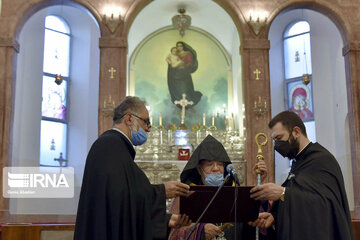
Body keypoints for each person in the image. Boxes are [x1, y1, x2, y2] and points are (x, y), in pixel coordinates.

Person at [74, 96, 191, 240]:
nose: (148, 129)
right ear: (129, 119)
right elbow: (120, 198)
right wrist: (161, 192)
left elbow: (125, 204)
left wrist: (167, 220)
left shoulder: (116, 147)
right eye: (146, 121)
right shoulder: (110, 146)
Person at [249, 111, 354, 240]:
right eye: (274, 140)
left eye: (279, 138)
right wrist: (274, 216)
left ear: (296, 132)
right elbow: (302, 196)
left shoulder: (321, 160)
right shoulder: (299, 162)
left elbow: (325, 204)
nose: (277, 145)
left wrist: (283, 193)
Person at [169, 135, 269, 240]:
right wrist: (200, 231)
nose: (216, 169)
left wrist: (259, 185)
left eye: (220, 164)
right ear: (199, 169)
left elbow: (255, 223)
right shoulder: (185, 195)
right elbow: (174, 232)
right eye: (209, 164)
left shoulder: (234, 193)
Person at [167, 41, 202, 107]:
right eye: (178, 46)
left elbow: (190, 63)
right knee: (177, 89)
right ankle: (180, 105)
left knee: (184, 89)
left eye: (181, 46)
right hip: (175, 75)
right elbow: (170, 63)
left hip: (184, 75)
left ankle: (188, 105)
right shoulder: (175, 55)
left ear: (183, 47)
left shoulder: (187, 53)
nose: (179, 47)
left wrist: (184, 67)